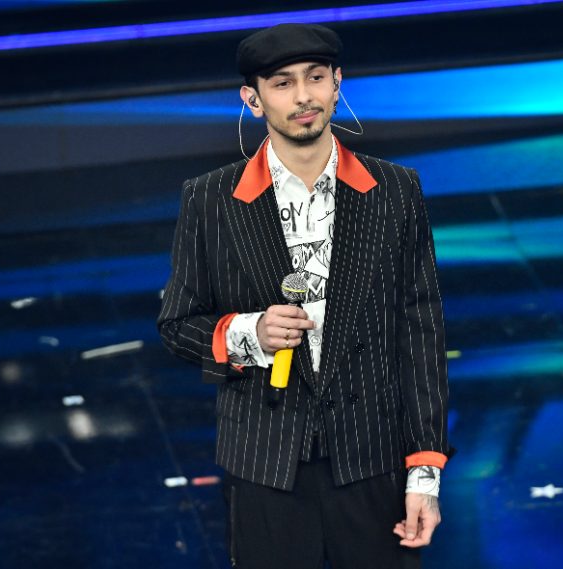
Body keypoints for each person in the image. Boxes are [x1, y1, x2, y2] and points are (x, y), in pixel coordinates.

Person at [157, 23, 453, 569]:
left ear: (337, 84)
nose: (303, 97)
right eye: (282, 83)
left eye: (315, 78)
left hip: (372, 458)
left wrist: (425, 474)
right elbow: (177, 324)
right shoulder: (210, 199)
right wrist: (250, 333)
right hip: (265, 462)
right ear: (252, 99)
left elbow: (421, 335)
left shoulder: (395, 190)